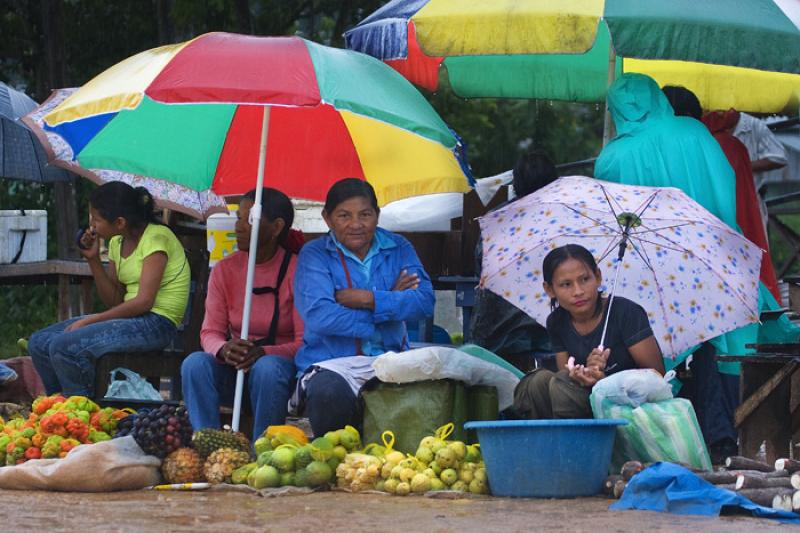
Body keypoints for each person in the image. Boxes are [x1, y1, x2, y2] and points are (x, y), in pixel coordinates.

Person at [293, 178, 435, 436]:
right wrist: (390, 301)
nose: (356, 224)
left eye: (365, 215)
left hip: (392, 359)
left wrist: (366, 298)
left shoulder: (398, 247)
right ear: (327, 218)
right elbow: (321, 317)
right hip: (331, 363)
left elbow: (424, 302)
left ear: (377, 216)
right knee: (327, 392)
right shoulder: (314, 254)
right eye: (344, 216)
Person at [28, 182, 189, 396]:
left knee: (65, 346)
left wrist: (90, 320)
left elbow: (144, 302)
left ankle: (83, 413)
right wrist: (93, 260)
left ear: (120, 222)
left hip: (157, 323)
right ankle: (58, 411)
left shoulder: (157, 239)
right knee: (39, 343)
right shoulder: (117, 242)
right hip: (132, 319)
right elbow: (114, 300)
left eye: (97, 219)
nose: (91, 226)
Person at [181, 188, 303, 438]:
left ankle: (262, 455)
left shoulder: (297, 271)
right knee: (194, 364)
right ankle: (208, 446)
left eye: (249, 220)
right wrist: (224, 349)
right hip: (233, 371)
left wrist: (263, 353)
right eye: (238, 218)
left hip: (279, 375)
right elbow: (210, 332)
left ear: (277, 226)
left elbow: (304, 342)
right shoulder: (225, 270)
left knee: (267, 368)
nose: (238, 227)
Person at [513, 244, 664, 419]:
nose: (578, 291)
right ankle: (543, 442)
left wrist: (604, 380)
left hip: (626, 407)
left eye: (585, 279)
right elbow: (566, 375)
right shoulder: (556, 322)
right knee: (536, 383)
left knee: (561, 387)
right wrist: (584, 373)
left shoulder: (626, 312)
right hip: (579, 399)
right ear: (550, 289)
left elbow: (657, 375)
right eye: (566, 284)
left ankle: (577, 444)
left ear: (598, 277)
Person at [470, 149, 558, 371]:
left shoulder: (495, 221)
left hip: (494, 334)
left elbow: (479, 270)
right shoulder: (564, 221)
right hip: (548, 333)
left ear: (516, 184)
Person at [733, 112, 787, 233]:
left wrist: (743, 167)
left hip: (751, 198)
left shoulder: (753, 124)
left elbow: (778, 157)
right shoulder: (707, 124)